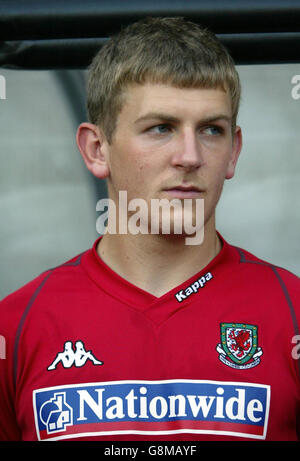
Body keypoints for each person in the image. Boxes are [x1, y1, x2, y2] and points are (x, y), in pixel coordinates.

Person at [0, 17, 299, 442]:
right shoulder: (17, 327)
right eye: (161, 128)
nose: (190, 156)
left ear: (233, 152)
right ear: (97, 149)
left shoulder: (292, 314)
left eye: (211, 130)